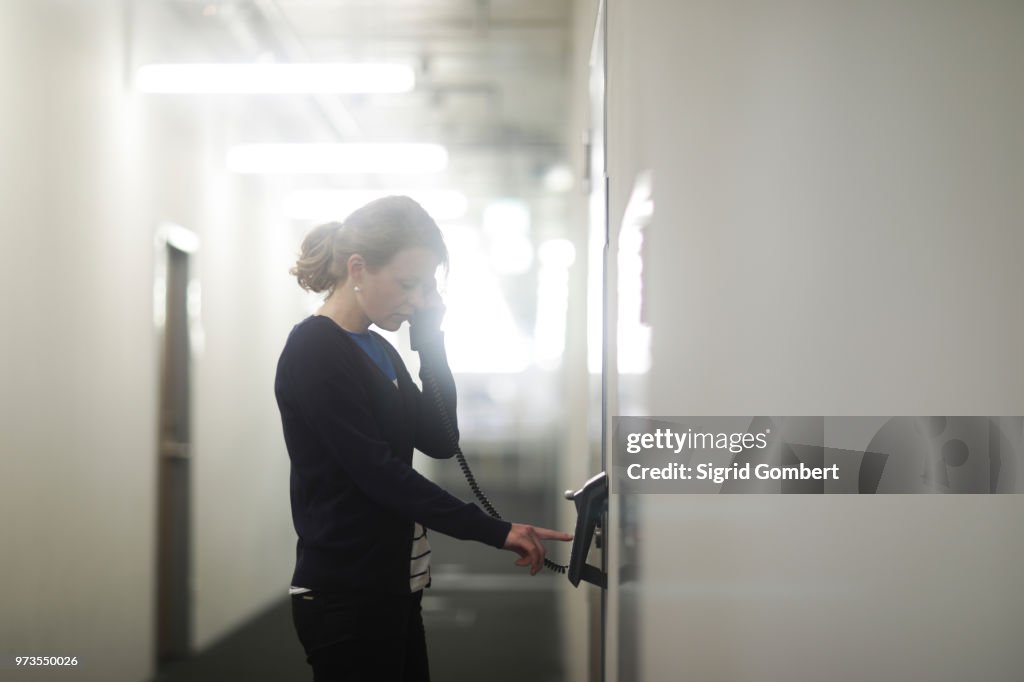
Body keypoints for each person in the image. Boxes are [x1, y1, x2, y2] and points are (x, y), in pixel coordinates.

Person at [274, 195, 573, 681]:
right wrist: (495, 531)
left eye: (425, 286)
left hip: (394, 586)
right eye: (406, 283)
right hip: (347, 594)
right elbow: (381, 476)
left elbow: (439, 436)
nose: (416, 298)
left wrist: (430, 339)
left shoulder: (379, 351)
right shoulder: (315, 349)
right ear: (358, 268)